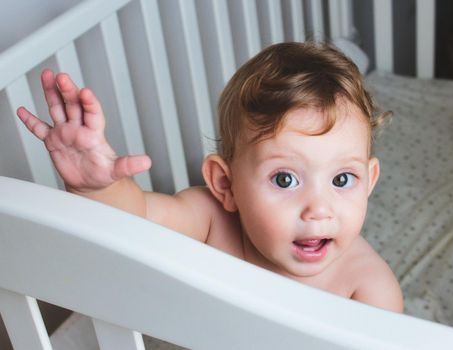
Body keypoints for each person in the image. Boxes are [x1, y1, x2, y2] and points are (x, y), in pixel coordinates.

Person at [17, 42, 403, 313]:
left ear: (369, 181)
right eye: (285, 179)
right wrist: (96, 186)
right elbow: (137, 217)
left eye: (342, 180)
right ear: (225, 184)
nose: (319, 210)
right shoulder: (209, 219)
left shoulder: (368, 289)